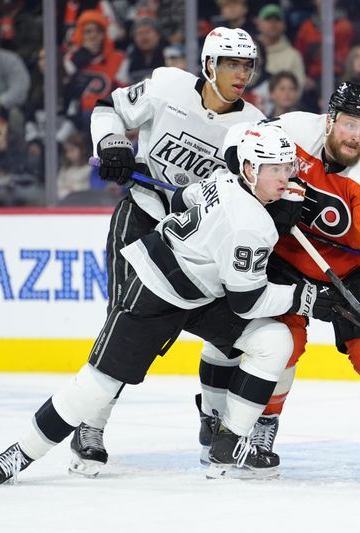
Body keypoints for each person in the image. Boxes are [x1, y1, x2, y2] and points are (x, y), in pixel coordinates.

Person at [0, 123, 343, 486]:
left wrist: (263, 212)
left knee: (274, 340)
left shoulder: (224, 181)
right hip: (156, 287)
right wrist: (305, 298)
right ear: (249, 169)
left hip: (200, 293)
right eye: (274, 169)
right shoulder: (251, 225)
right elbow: (247, 301)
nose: (285, 178)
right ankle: (20, 453)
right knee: (99, 384)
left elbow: (185, 198)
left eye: (287, 167)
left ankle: (228, 444)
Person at [66, 26, 266, 475]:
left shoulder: (252, 127)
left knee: (232, 335)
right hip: (141, 219)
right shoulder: (165, 86)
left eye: (247, 65)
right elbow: (107, 108)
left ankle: (213, 425)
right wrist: (113, 143)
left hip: (196, 245)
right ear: (209, 65)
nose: (241, 74)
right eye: (231, 64)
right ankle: (90, 425)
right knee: (124, 324)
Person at [205, 82, 360, 469]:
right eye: (349, 125)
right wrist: (270, 204)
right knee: (280, 343)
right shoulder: (291, 130)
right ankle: (264, 425)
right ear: (330, 119)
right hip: (288, 261)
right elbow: (238, 146)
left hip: (349, 271)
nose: (356, 136)